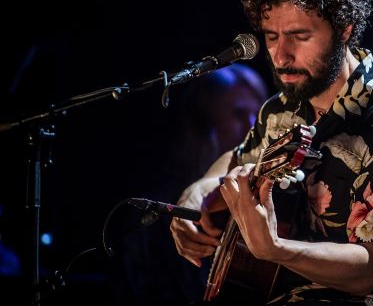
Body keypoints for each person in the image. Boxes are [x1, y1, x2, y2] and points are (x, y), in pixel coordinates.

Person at [170, 0, 373, 306]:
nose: (281, 55)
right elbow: (236, 158)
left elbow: (368, 270)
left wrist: (275, 248)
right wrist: (198, 189)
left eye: (300, 37)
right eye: (271, 36)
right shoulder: (283, 108)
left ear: (344, 29)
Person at [111, 64, 268, 306]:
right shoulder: (153, 210)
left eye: (255, 115)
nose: (251, 126)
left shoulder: (266, 194)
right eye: (238, 114)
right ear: (205, 127)